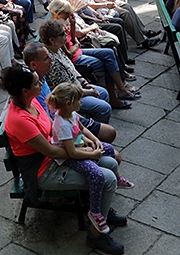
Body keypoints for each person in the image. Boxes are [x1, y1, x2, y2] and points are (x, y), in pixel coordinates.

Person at [1, 64, 126, 254]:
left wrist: (80, 142)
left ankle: (102, 211)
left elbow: (53, 128)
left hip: (57, 156)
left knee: (109, 162)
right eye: (37, 82)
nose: (41, 83)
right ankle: (95, 235)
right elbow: (52, 152)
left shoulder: (32, 102)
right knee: (107, 178)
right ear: (25, 91)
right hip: (43, 170)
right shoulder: (20, 119)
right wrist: (84, 150)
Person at [47, 82, 131, 233]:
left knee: (109, 148)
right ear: (69, 103)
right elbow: (72, 153)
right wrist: (93, 154)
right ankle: (95, 211)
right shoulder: (62, 124)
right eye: (79, 100)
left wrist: (95, 140)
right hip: (69, 157)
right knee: (96, 175)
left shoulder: (71, 114)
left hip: (78, 145)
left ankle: (117, 177)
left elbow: (82, 129)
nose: (81, 102)